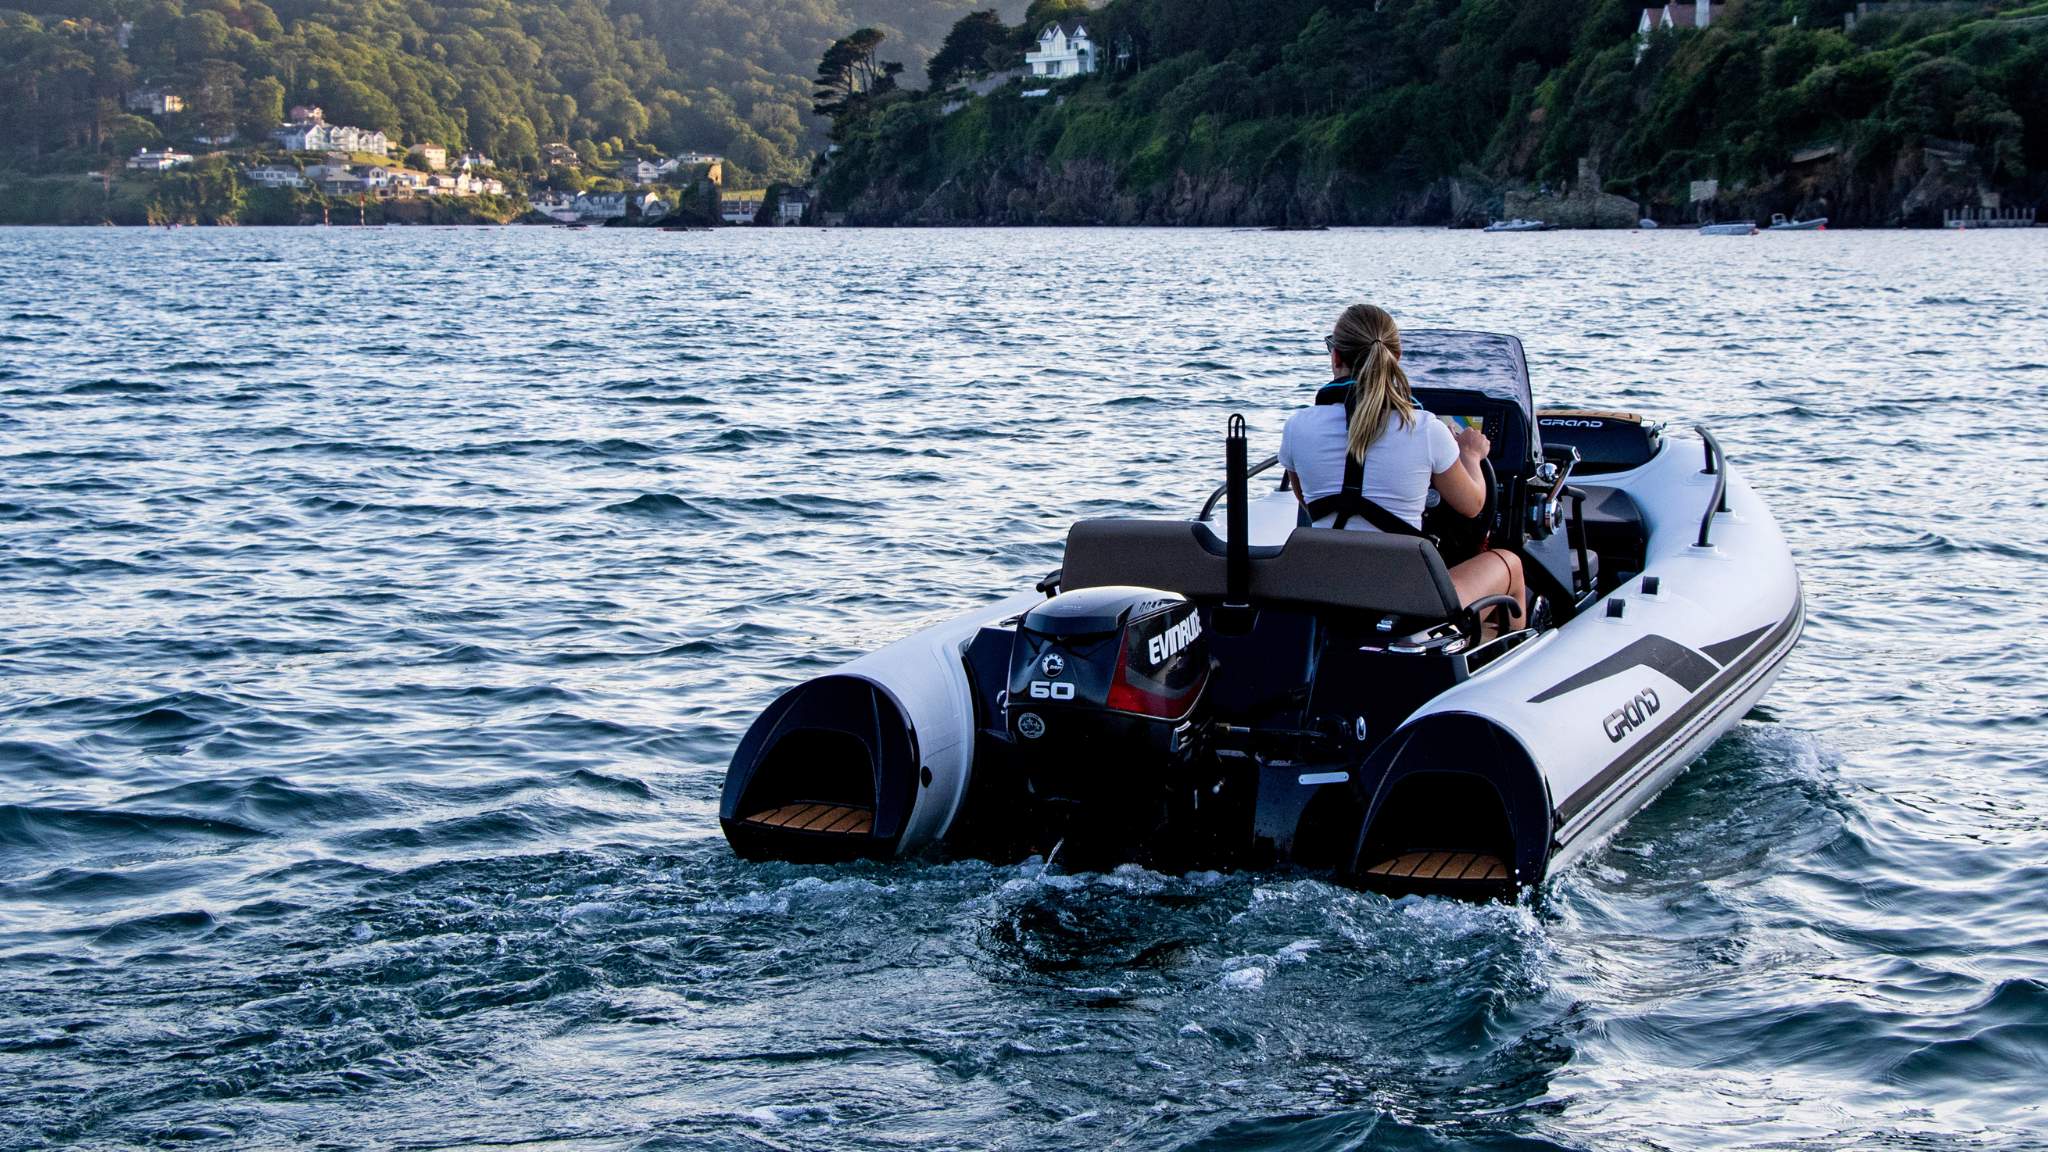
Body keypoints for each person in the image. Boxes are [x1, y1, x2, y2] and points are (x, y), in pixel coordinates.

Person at [1277, 303, 1526, 619]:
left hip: (1329, 591)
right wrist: (1471, 455)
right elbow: (1473, 505)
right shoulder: (1425, 428)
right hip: (1408, 598)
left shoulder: (1297, 426)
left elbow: (1306, 500)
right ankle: (1485, 659)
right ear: (1397, 357)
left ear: (1336, 356)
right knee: (1511, 564)